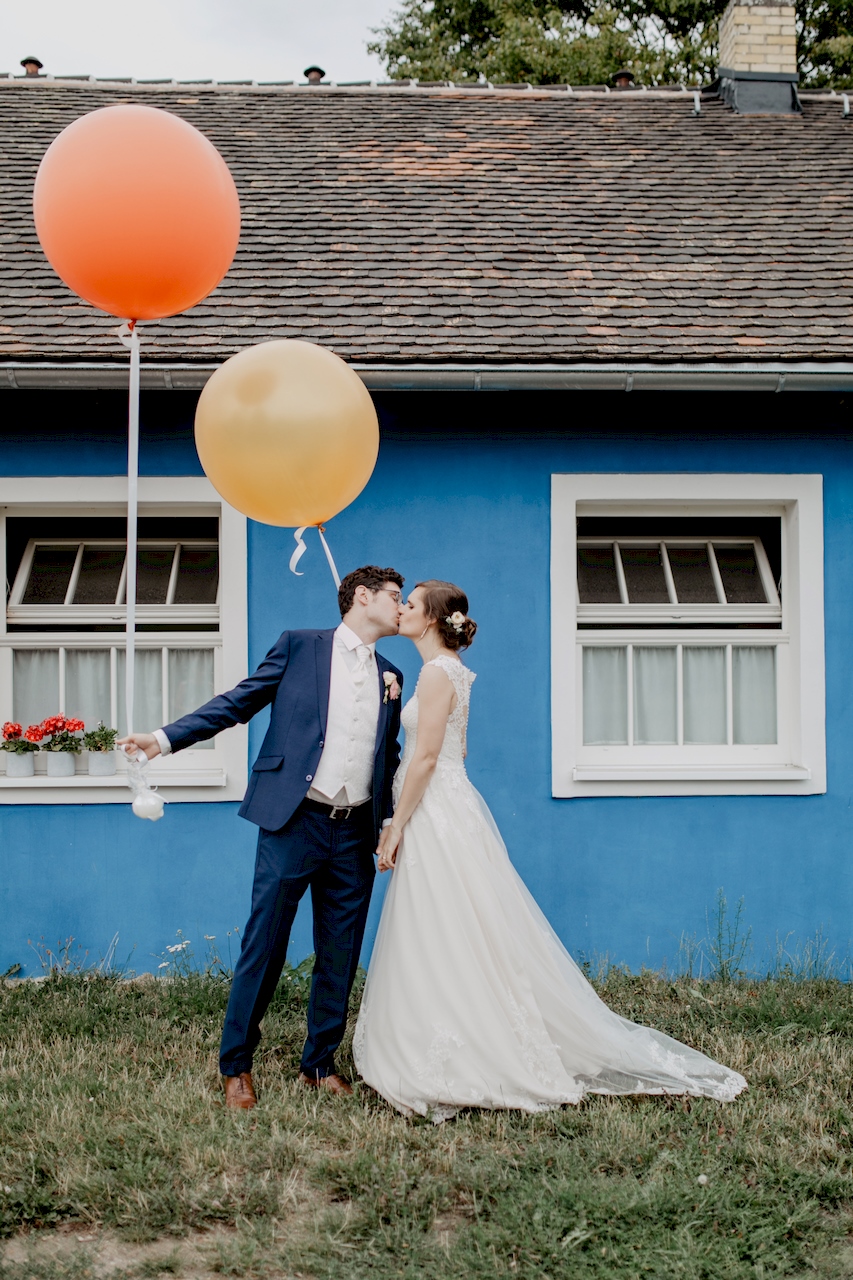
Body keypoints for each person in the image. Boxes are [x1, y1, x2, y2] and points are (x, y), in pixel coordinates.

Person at [354, 580, 746, 1121]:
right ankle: (460, 1020)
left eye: (411, 605)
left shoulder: (434, 673)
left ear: (433, 620)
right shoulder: (454, 674)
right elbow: (458, 750)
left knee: (442, 920)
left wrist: (396, 823)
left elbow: (424, 760)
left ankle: (464, 1042)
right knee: (457, 921)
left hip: (434, 808)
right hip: (450, 801)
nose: (401, 609)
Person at [119, 565, 405, 1109]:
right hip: (292, 821)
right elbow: (238, 702)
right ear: (361, 597)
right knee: (265, 943)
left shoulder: (392, 673)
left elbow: (386, 757)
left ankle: (319, 1063)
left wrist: (388, 821)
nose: (401, 607)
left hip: (355, 831)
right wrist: (162, 740)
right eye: (394, 597)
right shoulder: (300, 647)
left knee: (340, 953)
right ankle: (236, 1066)